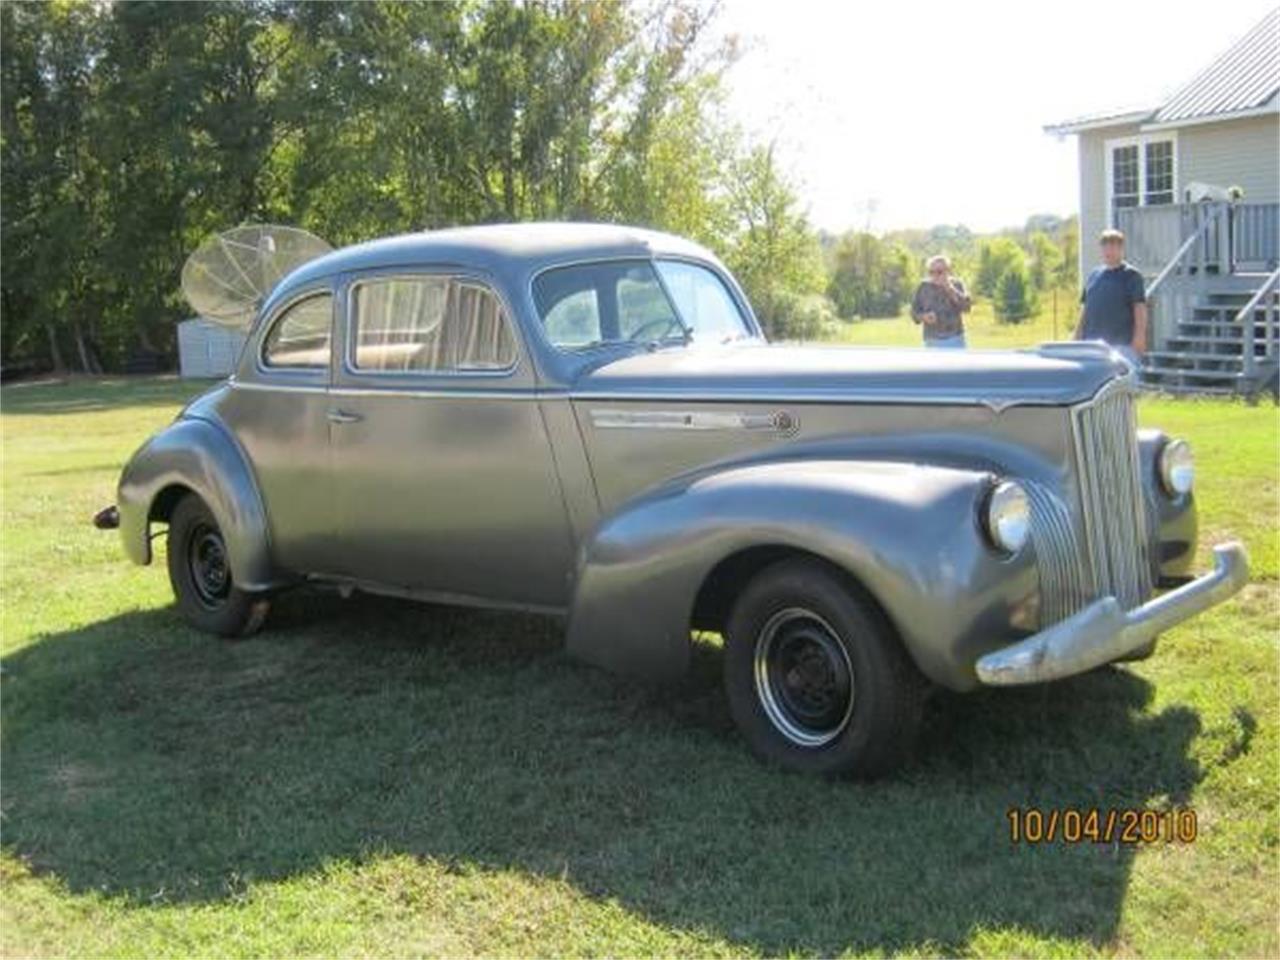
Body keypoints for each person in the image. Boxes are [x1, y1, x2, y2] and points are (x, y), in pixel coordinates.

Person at [1076, 228, 1147, 368]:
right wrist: (1076, 335)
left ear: (1121, 249)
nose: (1108, 251)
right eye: (1105, 246)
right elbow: (1085, 308)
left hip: (1121, 345)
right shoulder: (1093, 275)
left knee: (1121, 386)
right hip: (1092, 346)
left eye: (1113, 246)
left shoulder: (1132, 276)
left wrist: (1139, 337)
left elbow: (1139, 308)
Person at [911, 255, 971, 348]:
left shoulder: (957, 284)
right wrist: (924, 317)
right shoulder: (923, 287)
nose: (935, 275)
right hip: (931, 340)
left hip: (955, 339)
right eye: (931, 272)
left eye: (939, 272)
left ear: (948, 271)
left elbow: (966, 308)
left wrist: (950, 289)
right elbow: (914, 313)